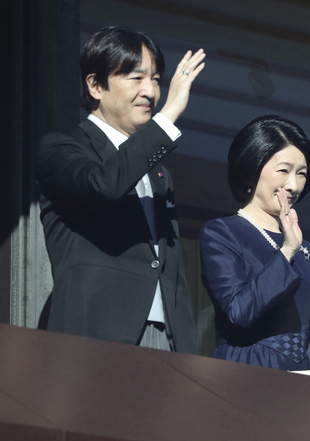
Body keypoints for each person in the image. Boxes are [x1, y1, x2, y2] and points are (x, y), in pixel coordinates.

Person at [36, 25, 206, 353]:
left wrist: (187, 350)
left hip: (166, 340)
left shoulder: (159, 172)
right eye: (136, 78)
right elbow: (103, 185)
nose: (150, 92)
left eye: (155, 79)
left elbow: (171, 270)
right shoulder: (61, 148)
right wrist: (168, 116)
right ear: (95, 85)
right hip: (95, 337)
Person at [199, 115, 310, 375]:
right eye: (283, 171)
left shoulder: (304, 248)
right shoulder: (222, 232)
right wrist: (287, 251)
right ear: (252, 167)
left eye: (302, 174)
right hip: (247, 375)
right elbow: (239, 311)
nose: (293, 185)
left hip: (299, 383)